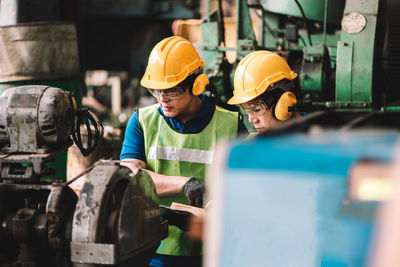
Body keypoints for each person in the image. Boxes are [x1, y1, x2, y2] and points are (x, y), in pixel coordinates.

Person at [120, 36, 244, 267]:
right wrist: (184, 183)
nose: (163, 99)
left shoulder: (232, 124)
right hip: (154, 249)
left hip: (214, 250)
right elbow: (130, 178)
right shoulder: (141, 122)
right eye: (156, 90)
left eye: (172, 90)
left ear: (197, 84)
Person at [228, 50, 301, 134]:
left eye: (256, 109)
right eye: (247, 110)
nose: (251, 120)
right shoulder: (253, 143)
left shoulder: (309, 142)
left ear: (285, 102)